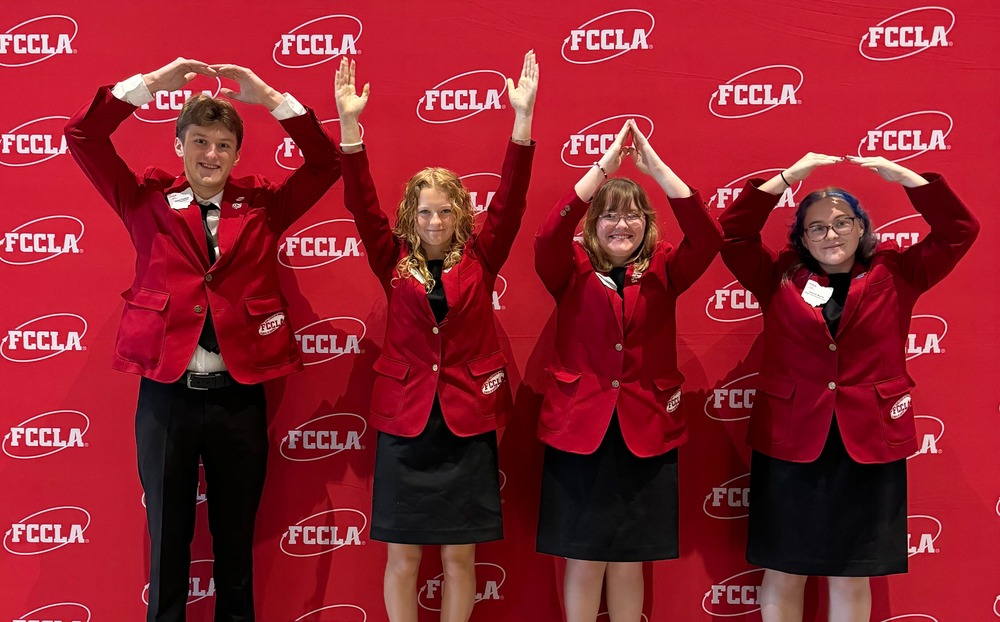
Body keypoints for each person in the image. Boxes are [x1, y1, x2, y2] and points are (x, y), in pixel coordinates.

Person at [64, 57, 341, 622]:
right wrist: (149, 86)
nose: (209, 155)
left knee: (235, 546)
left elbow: (327, 162)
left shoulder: (263, 205)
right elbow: (83, 135)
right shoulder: (142, 199)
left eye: (222, 145)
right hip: (166, 398)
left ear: (237, 154)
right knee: (168, 545)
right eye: (198, 142)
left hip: (239, 397)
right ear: (178, 145)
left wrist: (268, 97)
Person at [718, 153, 979, 622]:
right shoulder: (775, 275)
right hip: (791, 439)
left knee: (851, 574)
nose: (830, 234)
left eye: (842, 222)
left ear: (862, 228)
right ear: (800, 237)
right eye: (815, 227)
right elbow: (732, 234)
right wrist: (786, 178)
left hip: (869, 441)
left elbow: (960, 230)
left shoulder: (899, 271)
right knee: (783, 568)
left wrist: (908, 179)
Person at [332, 52, 537, 622]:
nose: (434, 221)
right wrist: (350, 125)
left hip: (466, 421)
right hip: (406, 422)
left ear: (460, 214)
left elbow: (514, 199)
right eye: (424, 211)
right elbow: (359, 202)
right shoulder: (390, 257)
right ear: (410, 214)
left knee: (459, 557)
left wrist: (522, 122)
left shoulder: (482, 256)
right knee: (402, 558)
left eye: (445, 211)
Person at [534, 120, 723, 622]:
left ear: (648, 223)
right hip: (581, 431)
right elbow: (549, 231)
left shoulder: (665, 268)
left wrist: (654, 169)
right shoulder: (569, 268)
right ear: (593, 222)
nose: (623, 225)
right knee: (583, 556)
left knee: (629, 561)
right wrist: (602, 169)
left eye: (634, 216)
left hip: (646, 431)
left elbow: (709, 235)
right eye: (611, 215)